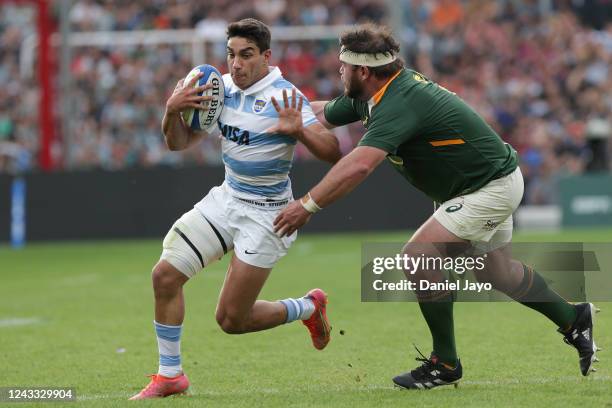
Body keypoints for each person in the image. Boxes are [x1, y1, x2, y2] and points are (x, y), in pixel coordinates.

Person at [274, 24, 600, 390]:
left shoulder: (399, 100)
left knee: (418, 257)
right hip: (478, 183)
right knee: (498, 274)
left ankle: (445, 362)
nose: (339, 71)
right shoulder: (373, 92)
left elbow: (360, 164)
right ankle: (574, 318)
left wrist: (307, 204)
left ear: (362, 71)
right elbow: (317, 113)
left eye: (343, 65)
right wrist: (267, 114)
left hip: (487, 187)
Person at [130, 18, 340, 400]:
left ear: (266, 57)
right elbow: (177, 144)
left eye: (246, 55)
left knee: (231, 320)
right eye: (231, 55)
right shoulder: (220, 89)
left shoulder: (284, 95)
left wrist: (301, 130)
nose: (236, 64)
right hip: (227, 200)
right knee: (164, 277)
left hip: (267, 215)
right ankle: (170, 375)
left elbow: (332, 152)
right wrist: (171, 111)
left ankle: (308, 308)